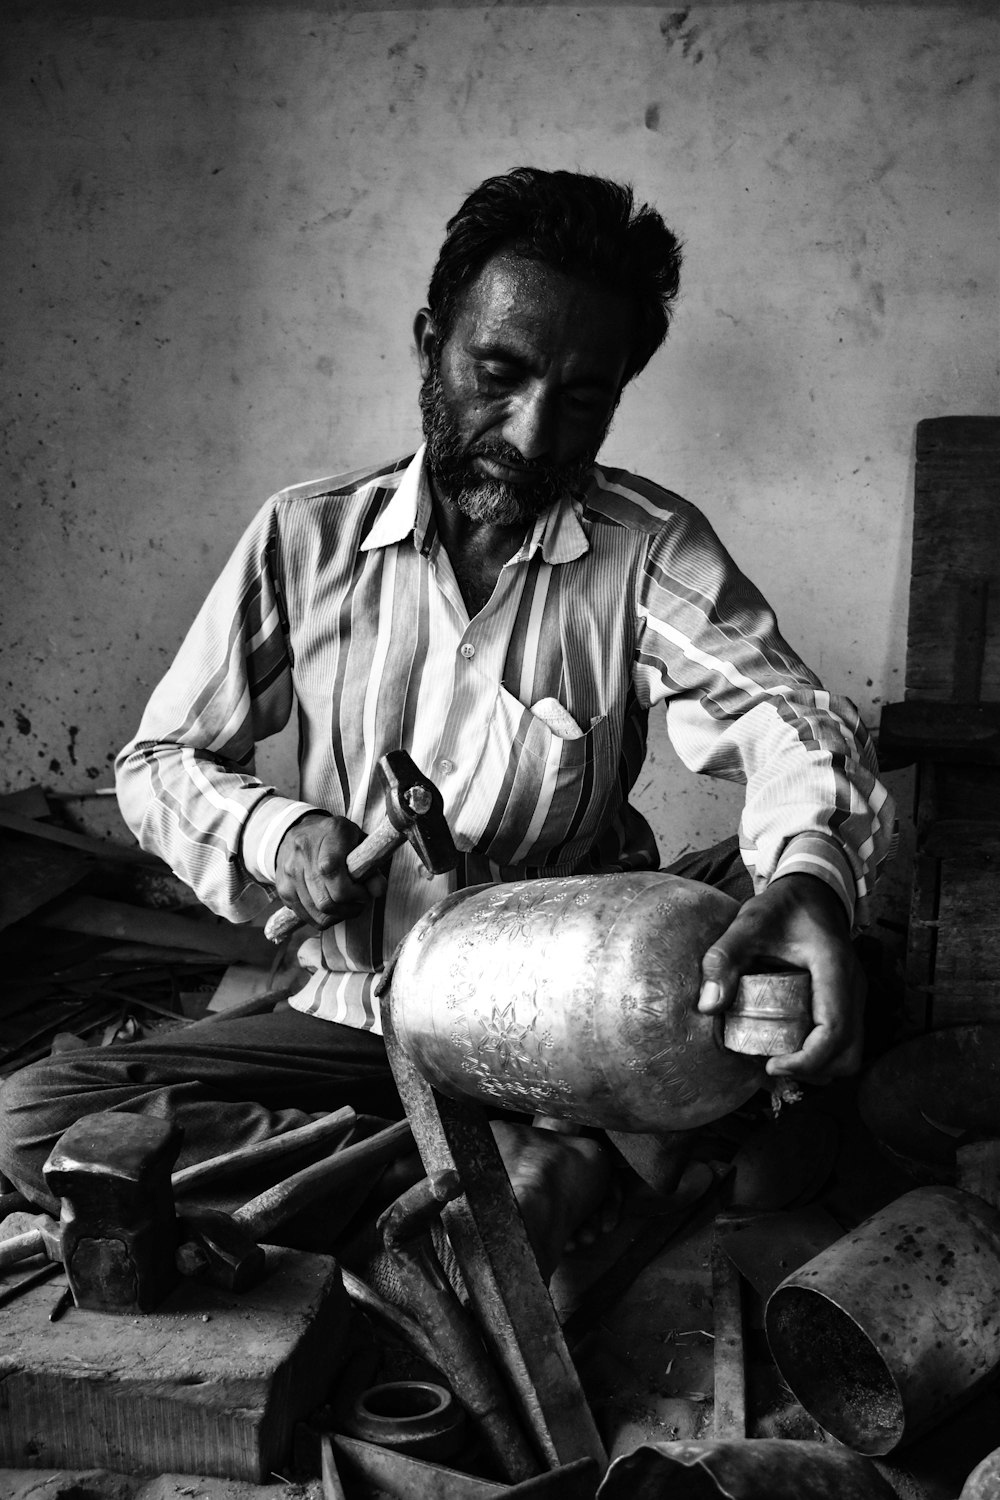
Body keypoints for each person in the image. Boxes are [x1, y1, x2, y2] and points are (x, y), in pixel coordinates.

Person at [0, 167, 894, 1277]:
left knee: (806, 947)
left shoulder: (647, 547)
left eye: (581, 397)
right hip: (361, 1017)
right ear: (431, 343)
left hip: (579, 1010)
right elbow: (159, 761)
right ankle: (526, 1169)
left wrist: (807, 880)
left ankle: (504, 1169)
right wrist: (282, 837)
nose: (527, 432)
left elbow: (782, 712)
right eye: (498, 373)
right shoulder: (304, 540)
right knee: (43, 1115)